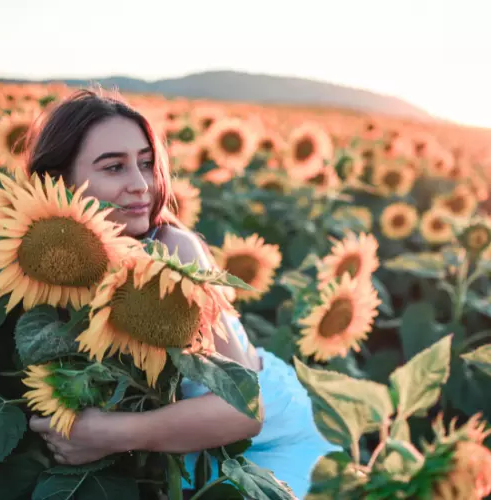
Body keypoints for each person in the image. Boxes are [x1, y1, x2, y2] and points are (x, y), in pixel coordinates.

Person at [26, 89, 338, 498]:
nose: (140, 185)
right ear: (59, 180)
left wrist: (107, 433)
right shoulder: (43, 258)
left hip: (262, 446)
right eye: (114, 167)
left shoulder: (173, 251)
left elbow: (243, 408)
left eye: (146, 163)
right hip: (176, 443)